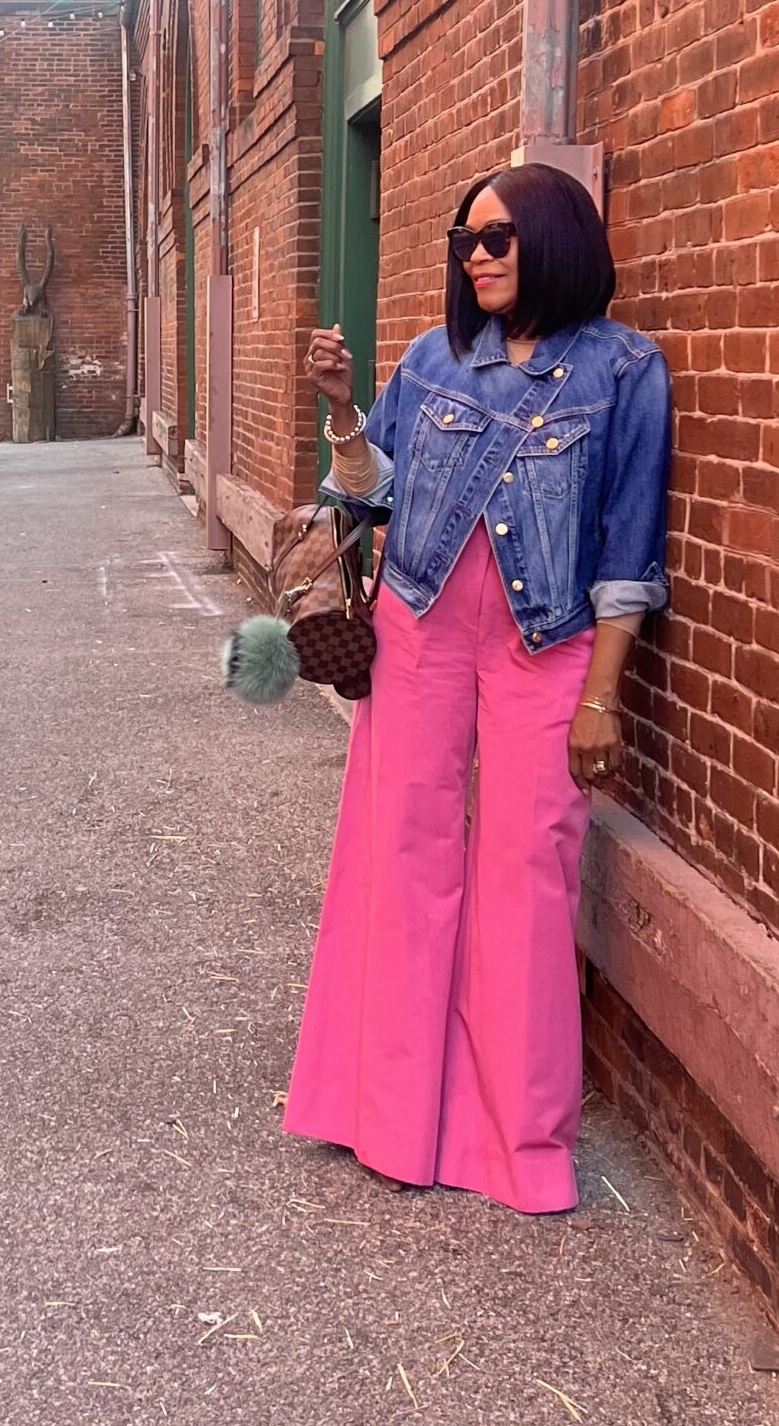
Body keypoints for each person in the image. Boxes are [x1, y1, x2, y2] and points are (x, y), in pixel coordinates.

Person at [283, 161, 671, 1214]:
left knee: (527, 877)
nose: (480, 256)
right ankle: (387, 1115)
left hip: (545, 648)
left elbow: (629, 550)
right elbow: (369, 497)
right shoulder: (432, 358)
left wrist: (602, 693)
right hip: (418, 630)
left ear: (553, 240)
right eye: (466, 241)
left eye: (499, 237)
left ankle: (519, 1145)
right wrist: (341, 413)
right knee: (398, 858)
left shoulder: (625, 372)